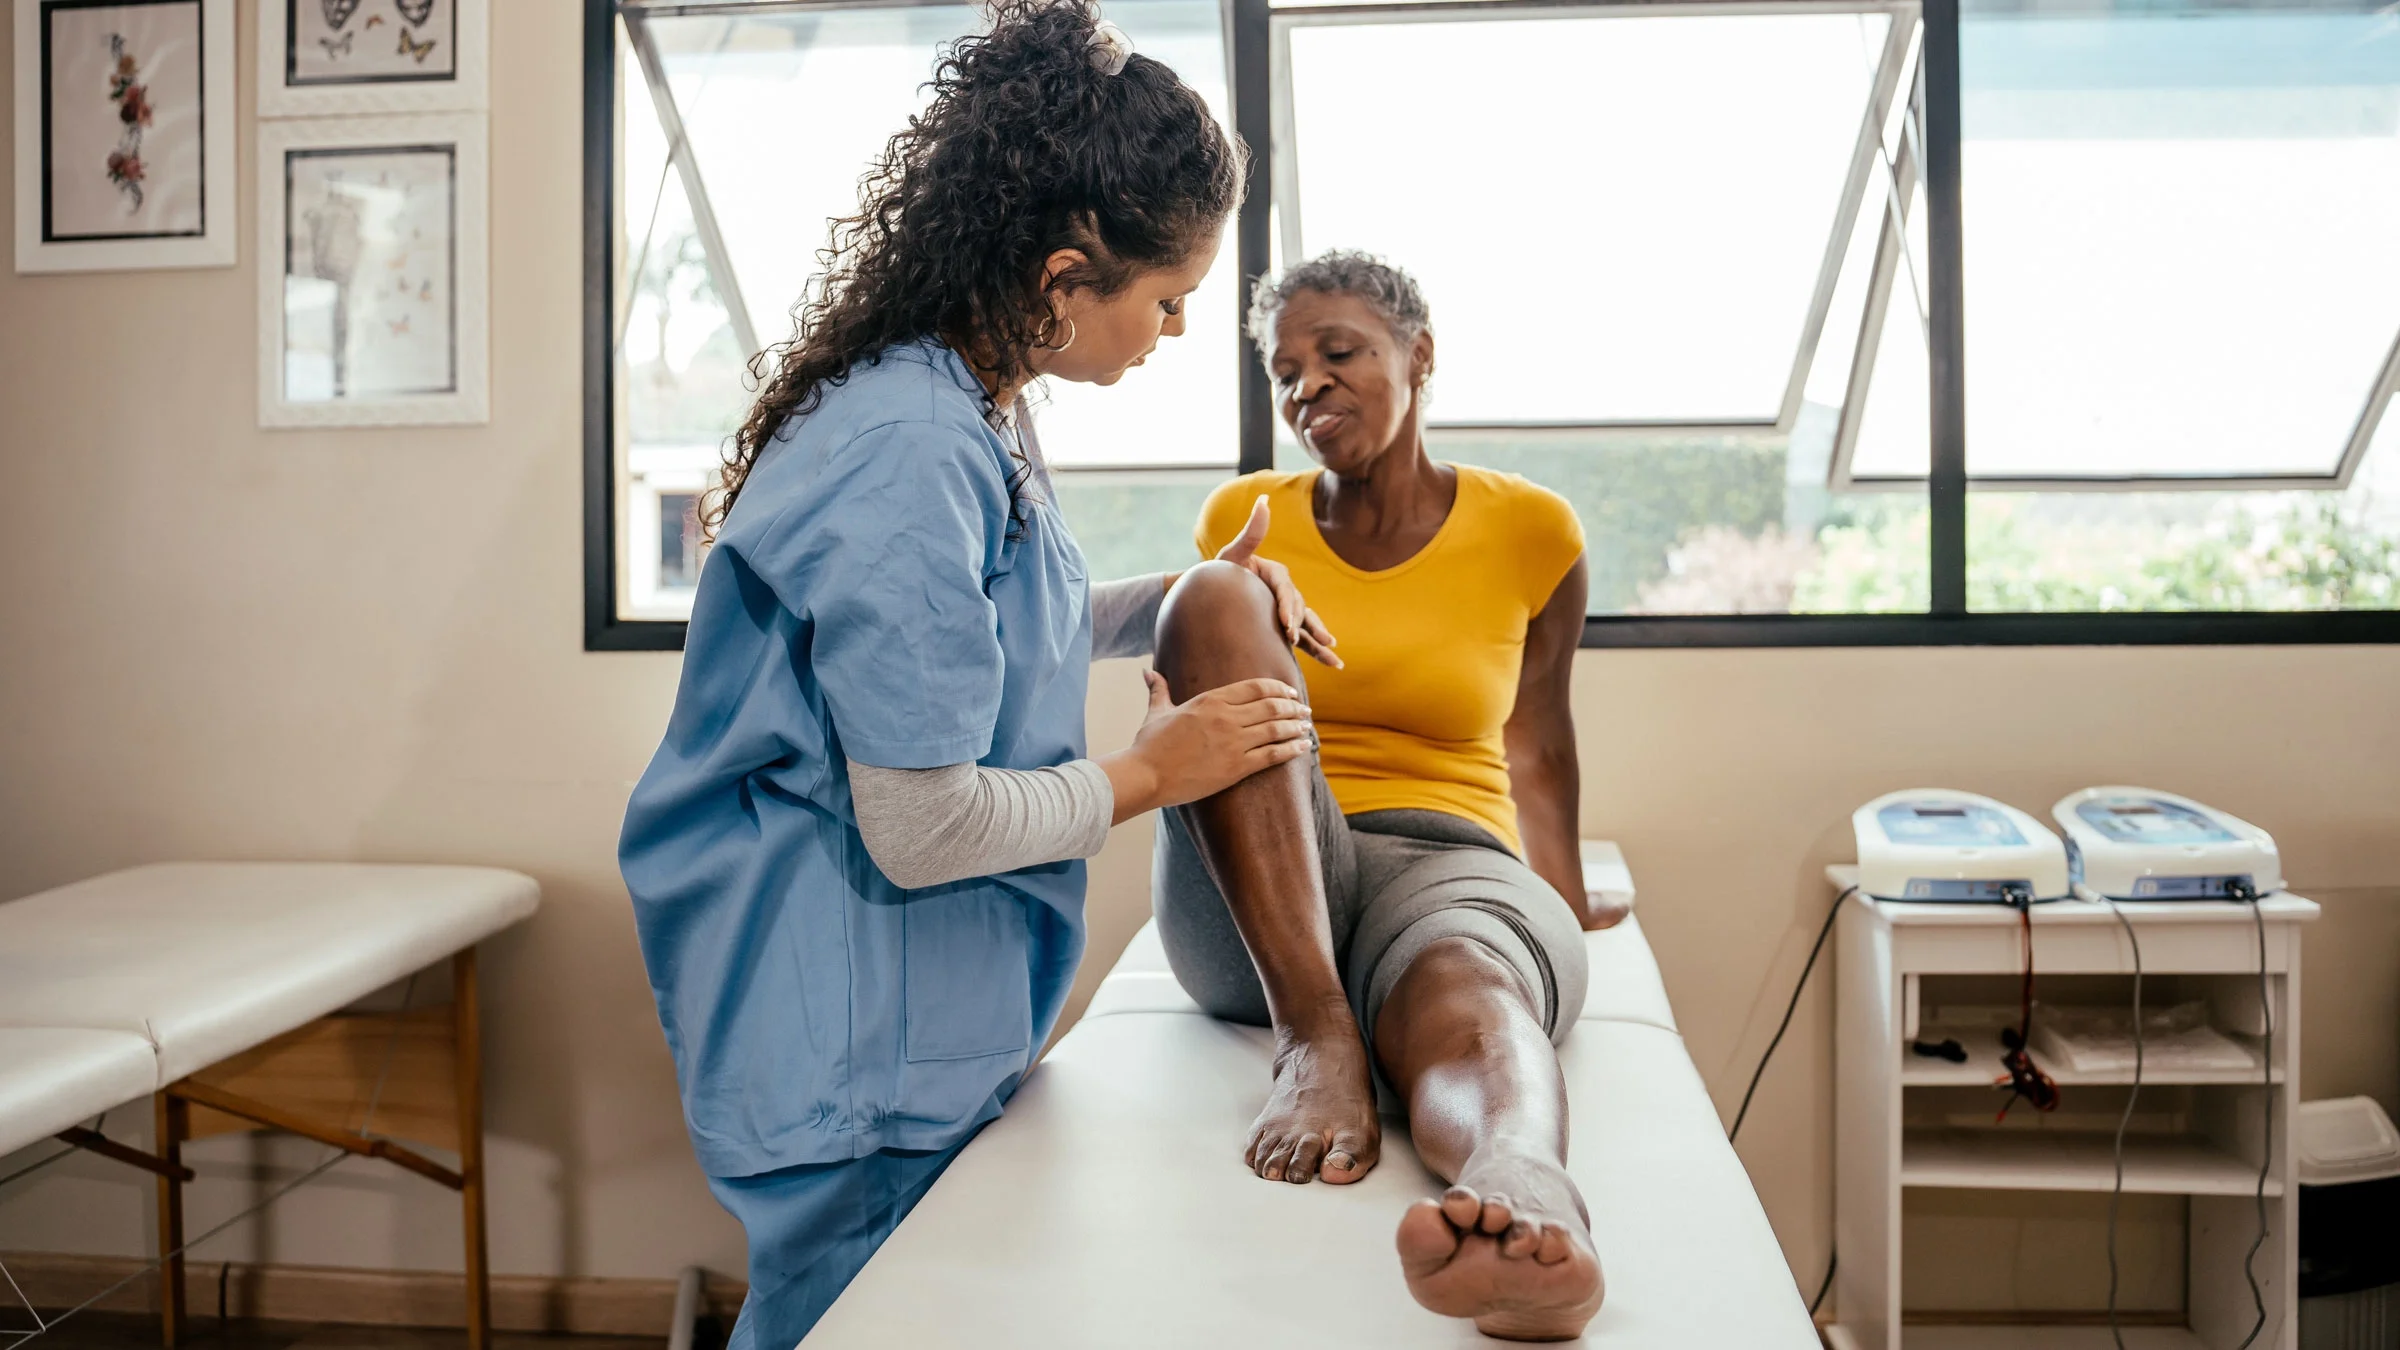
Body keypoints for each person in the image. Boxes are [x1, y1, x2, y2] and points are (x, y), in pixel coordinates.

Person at [617, 7, 1334, 1346]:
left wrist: (1188, 596)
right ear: (1068, 277)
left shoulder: (977, 403)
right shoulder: (910, 448)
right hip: (847, 1043)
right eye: (1167, 299)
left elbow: (1008, 629)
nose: (1177, 330)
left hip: (909, 1018)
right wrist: (1149, 774)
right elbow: (923, 815)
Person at [1150, 250, 1618, 1341]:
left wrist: (1565, 902)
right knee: (1215, 596)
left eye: (1339, 353)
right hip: (1262, 890)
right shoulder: (1247, 513)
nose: (1306, 386)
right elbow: (1207, 704)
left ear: (1421, 354)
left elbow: (1537, 745)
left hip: (1443, 857)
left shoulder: (1532, 531)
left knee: (1471, 982)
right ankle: (1317, 1039)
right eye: (1286, 371)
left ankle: (1524, 1188)